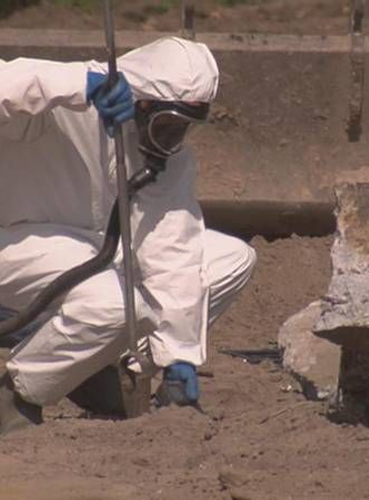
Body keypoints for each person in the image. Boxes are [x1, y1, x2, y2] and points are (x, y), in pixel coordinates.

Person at [0, 37, 256, 434]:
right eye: (166, 124)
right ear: (141, 102)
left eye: (183, 128)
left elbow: (171, 244)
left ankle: (98, 367)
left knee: (229, 259)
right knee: (121, 306)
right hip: (14, 243)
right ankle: (19, 394)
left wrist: (179, 355)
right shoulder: (58, 105)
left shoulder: (165, 159)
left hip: (87, 250)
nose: (171, 138)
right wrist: (76, 84)